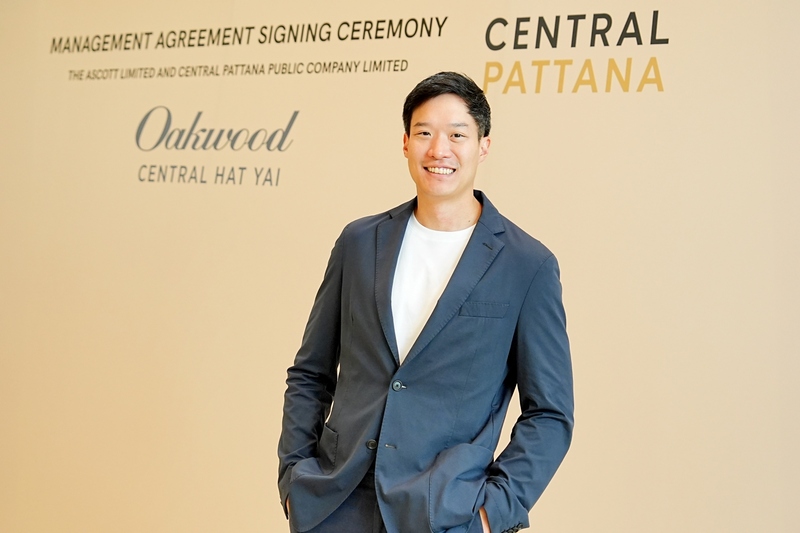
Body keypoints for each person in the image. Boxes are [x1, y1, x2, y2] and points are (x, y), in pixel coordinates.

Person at [278, 71, 573, 533]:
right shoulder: (359, 243)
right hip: (335, 506)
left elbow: (550, 413)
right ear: (405, 143)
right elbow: (311, 372)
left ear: (483, 146)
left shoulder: (527, 265)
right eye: (424, 133)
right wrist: (294, 478)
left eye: (457, 135)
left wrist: (491, 514)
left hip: (445, 514)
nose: (439, 150)